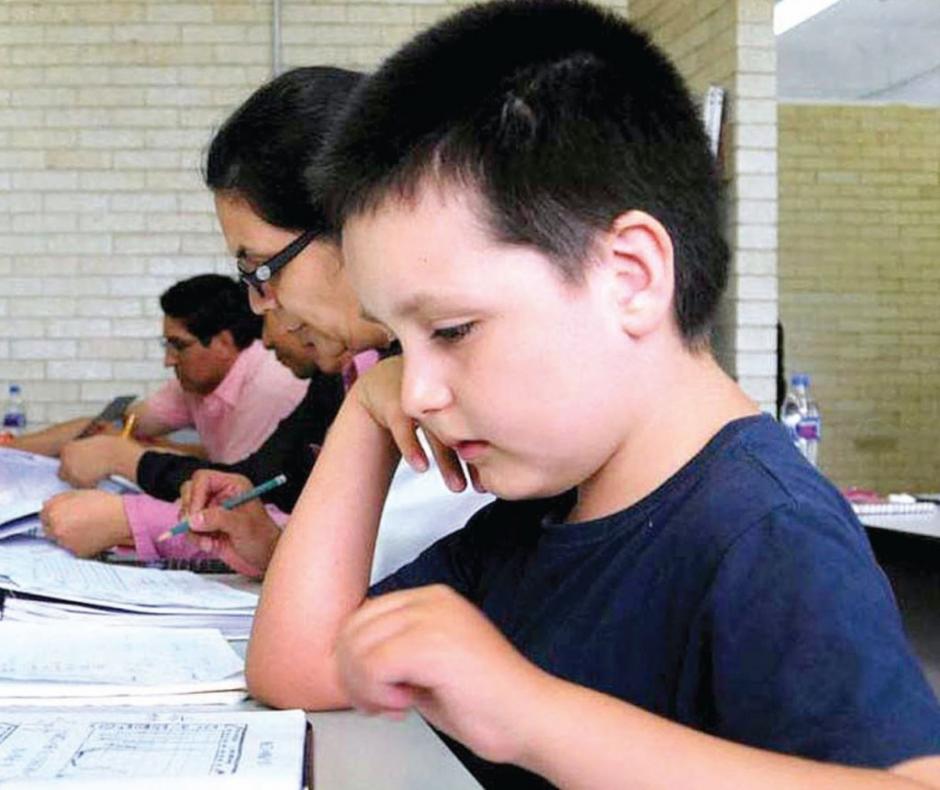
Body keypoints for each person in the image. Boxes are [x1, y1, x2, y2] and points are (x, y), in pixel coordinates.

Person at [245, 2, 940, 788]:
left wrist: (534, 716)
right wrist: (365, 412)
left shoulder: (766, 533)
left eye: (452, 330)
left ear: (630, 278)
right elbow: (299, 667)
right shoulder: (537, 519)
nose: (419, 391)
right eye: (399, 345)